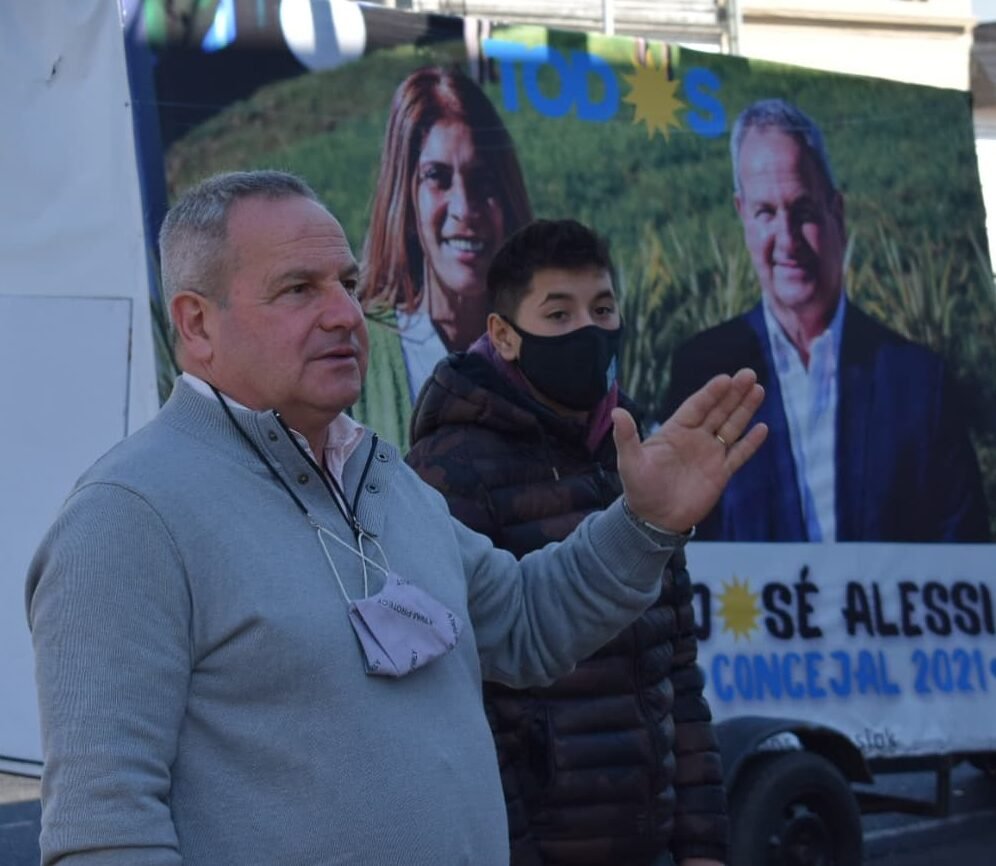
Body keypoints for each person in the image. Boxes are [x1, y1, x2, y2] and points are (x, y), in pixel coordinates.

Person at [25, 170, 766, 866]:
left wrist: (642, 524)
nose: (346, 313)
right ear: (197, 324)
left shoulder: (382, 480)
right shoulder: (129, 518)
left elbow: (526, 626)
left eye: (346, 283)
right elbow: (105, 827)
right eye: (298, 289)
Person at [406, 219, 728, 866]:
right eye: (559, 313)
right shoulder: (449, 469)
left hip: (651, 841)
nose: (589, 330)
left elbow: (678, 669)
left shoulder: (636, 456)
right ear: (504, 334)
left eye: (602, 309)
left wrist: (701, 845)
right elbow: (462, 703)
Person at [666, 98, 990, 542]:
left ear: (836, 212)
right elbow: (677, 549)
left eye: (803, 211)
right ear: (742, 215)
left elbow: (963, 561)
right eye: (766, 213)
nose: (787, 240)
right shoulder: (702, 374)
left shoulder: (919, 383)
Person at [352, 65, 533, 450]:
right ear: (406, 197)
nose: (464, 209)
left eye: (482, 179)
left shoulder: (544, 346)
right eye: (437, 176)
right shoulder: (356, 355)